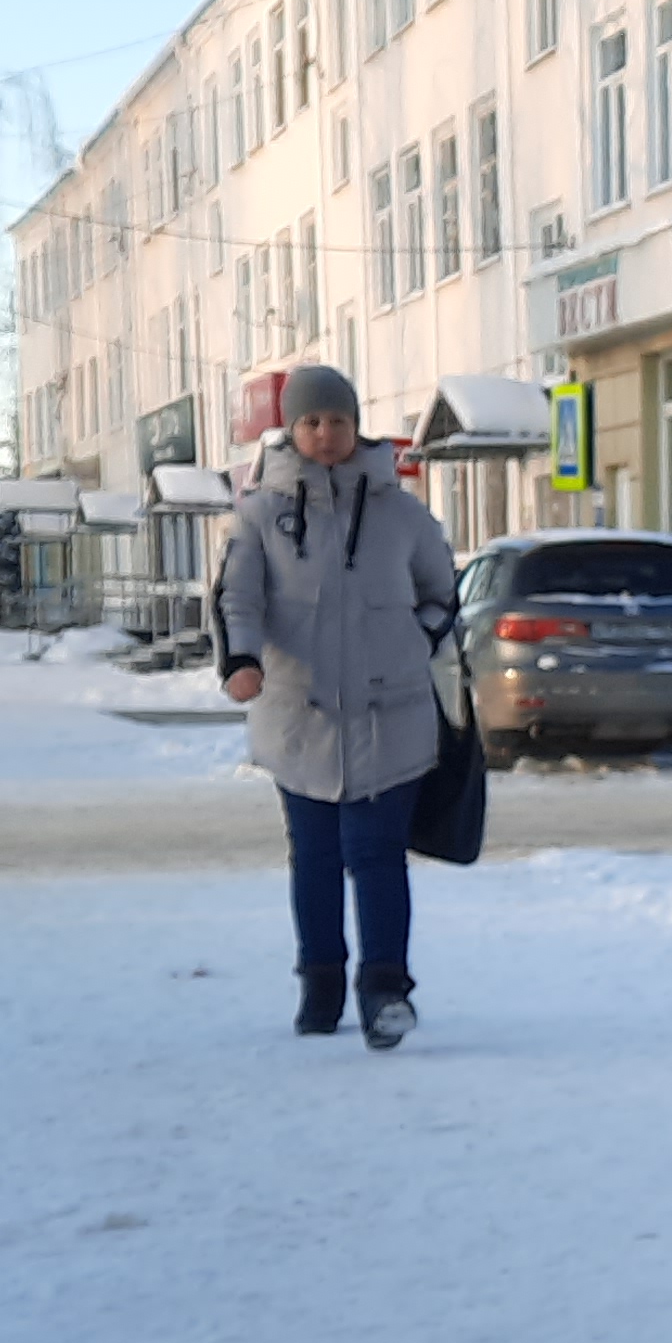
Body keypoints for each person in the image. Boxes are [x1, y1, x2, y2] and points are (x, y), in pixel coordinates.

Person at [218, 364, 458, 1049]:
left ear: (358, 427)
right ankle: (320, 984)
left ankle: (386, 992)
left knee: (379, 854)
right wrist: (241, 660)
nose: (327, 434)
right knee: (316, 857)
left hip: (393, 712)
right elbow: (238, 597)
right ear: (291, 429)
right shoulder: (261, 513)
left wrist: (416, 637)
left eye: (339, 421)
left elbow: (442, 592)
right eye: (312, 422)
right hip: (301, 714)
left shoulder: (403, 513)